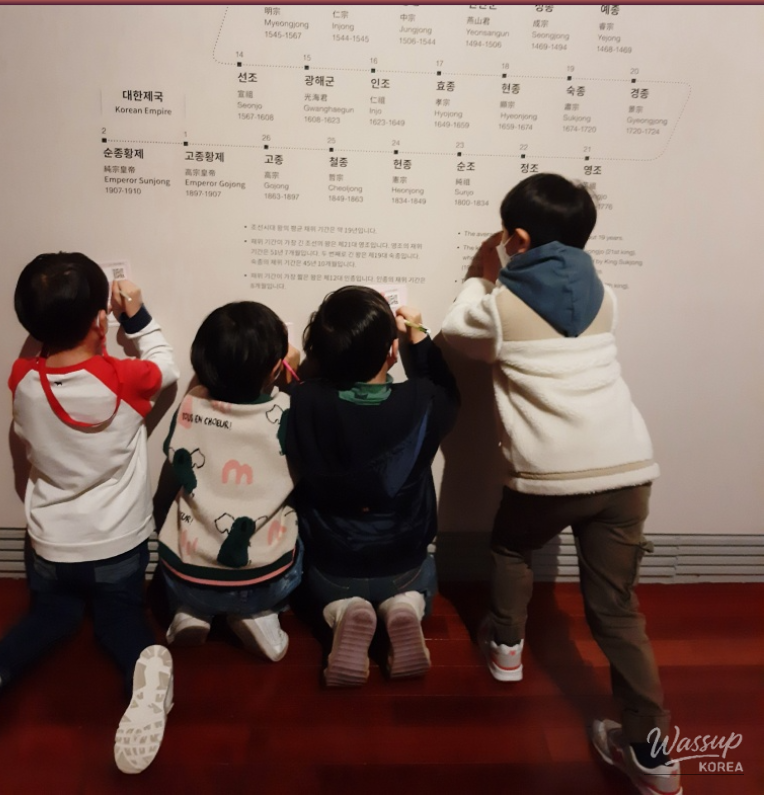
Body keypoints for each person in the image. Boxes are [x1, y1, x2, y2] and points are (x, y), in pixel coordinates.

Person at [440, 173, 681, 795]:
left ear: (515, 238)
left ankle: (508, 650)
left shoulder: (495, 309)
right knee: (618, 612)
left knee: (513, 548)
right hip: (628, 470)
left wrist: (479, 271)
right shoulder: (607, 297)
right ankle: (653, 755)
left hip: (550, 476)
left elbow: (452, 335)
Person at [0, 253, 179, 775]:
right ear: (99, 319)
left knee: (51, 617)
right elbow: (168, 366)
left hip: (51, 549)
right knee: (118, 618)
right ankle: (144, 674)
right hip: (117, 546)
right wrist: (134, 315)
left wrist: (74, 328)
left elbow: (47, 361)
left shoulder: (22, 380)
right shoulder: (128, 379)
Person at [286, 286, 459, 687]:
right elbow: (449, 391)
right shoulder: (423, 400)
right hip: (405, 561)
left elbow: (292, 395)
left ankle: (344, 611)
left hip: (334, 565)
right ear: (391, 352)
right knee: (417, 584)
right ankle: (406, 607)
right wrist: (416, 332)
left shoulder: (303, 403)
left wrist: (294, 368)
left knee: (324, 590)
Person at [157, 302, 302, 664]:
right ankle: (257, 616)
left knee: (187, 564)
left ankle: (190, 611)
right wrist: (292, 378)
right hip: (262, 581)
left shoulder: (192, 404)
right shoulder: (286, 410)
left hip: (185, 576)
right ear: (275, 369)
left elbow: (171, 451)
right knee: (300, 537)